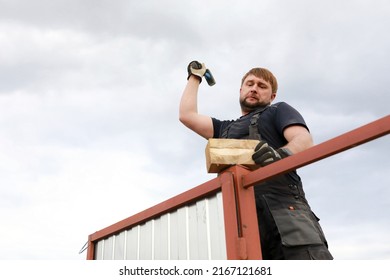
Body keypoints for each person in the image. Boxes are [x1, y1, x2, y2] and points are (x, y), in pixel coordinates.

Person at [179, 61, 333, 260]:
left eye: (262, 86)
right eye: (250, 84)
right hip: (243, 222)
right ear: (241, 90)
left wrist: (281, 155)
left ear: (272, 96)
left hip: (287, 215)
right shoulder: (223, 129)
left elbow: (303, 140)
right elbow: (187, 115)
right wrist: (195, 77)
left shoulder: (278, 111)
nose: (254, 89)